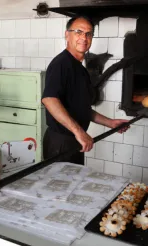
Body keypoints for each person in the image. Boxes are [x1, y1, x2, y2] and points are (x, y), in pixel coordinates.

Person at [42, 15, 129, 165]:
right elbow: (49, 99)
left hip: (74, 141)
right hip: (61, 142)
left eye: (88, 34)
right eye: (78, 32)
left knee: (73, 187)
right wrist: (79, 132)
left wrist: (110, 123)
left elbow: (82, 109)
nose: (84, 37)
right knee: (61, 187)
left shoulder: (80, 69)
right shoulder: (62, 64)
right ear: (67, 35)